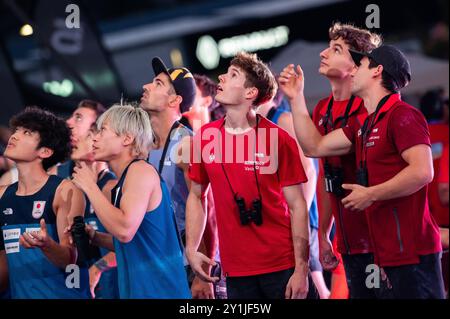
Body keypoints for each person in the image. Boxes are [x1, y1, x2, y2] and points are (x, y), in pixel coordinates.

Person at [279, 44, 444, 298]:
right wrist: (295, 98)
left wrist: (371, 193)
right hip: (387, 254)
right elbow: (316, 146)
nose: (355, 70)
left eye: (362, 64)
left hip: (412, 253)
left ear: (378, 71)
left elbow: (423, 171)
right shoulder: (364, 123)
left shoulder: (403, 115)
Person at [186, 52, 310, 299]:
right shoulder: (205, 138)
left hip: (282, 266)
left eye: (233, 75)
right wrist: (191, 247)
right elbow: (196, 195)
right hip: (236, 273)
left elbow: (298, 206)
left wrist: (302, 270)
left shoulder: (278, 139)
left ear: (250, 93)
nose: (221, 76)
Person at [280, 23, 382, 298]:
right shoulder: (323, 109)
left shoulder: (368, 108)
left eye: (336, 49)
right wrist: (323, 233)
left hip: (380, 241)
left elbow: (315, 148)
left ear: (357, 65)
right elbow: (327, 175)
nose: (323, 53)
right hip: (347, 241)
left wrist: (296, 98)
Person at [71, 104, 190, 299]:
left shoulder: (140, 171)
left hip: (161, 292)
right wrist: (95, 237)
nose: (95, 137)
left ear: (127, 138)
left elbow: (125, 231)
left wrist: (90, 187)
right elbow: (132, 241)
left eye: (103, 130)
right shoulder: (126, 178)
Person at [140, 58, 215, 298]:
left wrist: (202, 274)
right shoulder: (142, 148)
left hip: (186, 264)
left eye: (158, 84)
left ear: (174, 100)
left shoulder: (186, 143)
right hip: (156, 261)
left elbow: (207, 210)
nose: (146, 86)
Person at [0, 107, 89, 298]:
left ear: (45, 151)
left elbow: (72, 258)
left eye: (26, 133)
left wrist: (47, 245)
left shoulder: (64, 191)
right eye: (16, 130)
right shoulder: (2, 196)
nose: (14, 136)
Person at [257, 90, 324, 298]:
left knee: (313, 283)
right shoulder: (258, 126)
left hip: (299, 219)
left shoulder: (282, 119)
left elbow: (309, 171)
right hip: (284, 220)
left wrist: (299, 217)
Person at [70, 124, 119, 299]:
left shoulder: (111, 187)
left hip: (112, 287)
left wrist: (98, 268)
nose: (77, 140)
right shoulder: (74, 188)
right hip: (85, 286)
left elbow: (130, 242)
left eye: (88, 135)